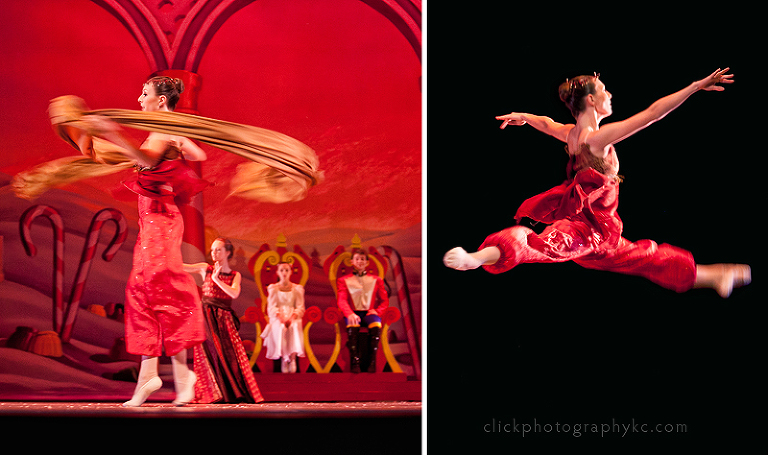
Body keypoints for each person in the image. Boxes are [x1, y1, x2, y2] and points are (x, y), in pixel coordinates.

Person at [444, 68, 751, 298]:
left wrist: (524, 116)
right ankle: (477, 257)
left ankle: (713, 275)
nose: (610, 95)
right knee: (540, 245)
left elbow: (546, 123)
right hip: (587, 232)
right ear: (591, 100)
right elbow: (652, 114)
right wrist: (696, 86)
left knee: (647, 257)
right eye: (605, 90)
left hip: (602, 235)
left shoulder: (571, 134)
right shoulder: (597, 139)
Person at [77, 76, 209, 407]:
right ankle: (151, 374)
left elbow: (150, 160)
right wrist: (180, 140)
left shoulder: (161, 131)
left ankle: (180, 376)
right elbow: (196, 152)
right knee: (141, 292)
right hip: (152, 221)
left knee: (163, 290)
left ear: (161, 101)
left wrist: (112, 133)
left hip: (161, 221)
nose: (139, 99)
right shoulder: (163, 131)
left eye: (144, 93)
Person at [184, 238, 264, 403]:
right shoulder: (205, 268)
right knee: (208, 354)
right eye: (213, 249)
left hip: (224, 319)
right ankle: (213, 394)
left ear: (228, 252)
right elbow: (182, 267)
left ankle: (233, 392)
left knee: (230, 354)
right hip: (206, 317)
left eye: (218, 249)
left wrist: (217, 280)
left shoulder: (235, 275)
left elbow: (234, 293)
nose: (214, 253)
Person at [336, 249, 389, 373]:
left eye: (362, 259)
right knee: (353, 324)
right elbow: (342, 300)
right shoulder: (344, 280)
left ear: (367, 262)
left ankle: (372, 361)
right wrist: (350, 313)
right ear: (352, 262)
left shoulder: (376, 280)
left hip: (369, 313)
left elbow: (384, 300)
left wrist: (378, 311)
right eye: (357, 259)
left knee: (376, 324)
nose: (360, 261)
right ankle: (355, 362)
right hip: (353, 313)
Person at [261, 262, 306, 373]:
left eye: (287, 270)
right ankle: (284, 359)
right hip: (278, 316)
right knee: (281, 327)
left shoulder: (297, 288)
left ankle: (292, 358)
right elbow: (272, 307)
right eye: (281, 270)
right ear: (277, 272)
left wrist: (292, 316)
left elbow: (300, 307)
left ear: (291, 272)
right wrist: (280, 316)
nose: (284, 273)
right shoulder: (273, 288)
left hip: (292, 315)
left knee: (294, 326)